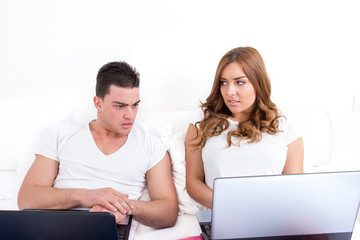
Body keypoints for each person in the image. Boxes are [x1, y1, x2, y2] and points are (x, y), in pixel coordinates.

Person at [17, 61, 178, 229]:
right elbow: (26, 198)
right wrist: (84, 196)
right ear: (98, 103)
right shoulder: (61, 135)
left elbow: (168, 212)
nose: (130, 115)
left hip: (110, 227)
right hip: (58, 226)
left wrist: (120, 207)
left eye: (135, 105)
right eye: (120, 106)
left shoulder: (151, 146)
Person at [185, 47, 304, 209]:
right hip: (226, 214)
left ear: (258, 83)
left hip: (275, 216)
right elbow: (193, 182)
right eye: (223, 82)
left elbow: (294, 190)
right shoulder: (202, 118)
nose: (229, 92)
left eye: (240, 82)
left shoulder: (284, 127)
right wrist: (232, 207)